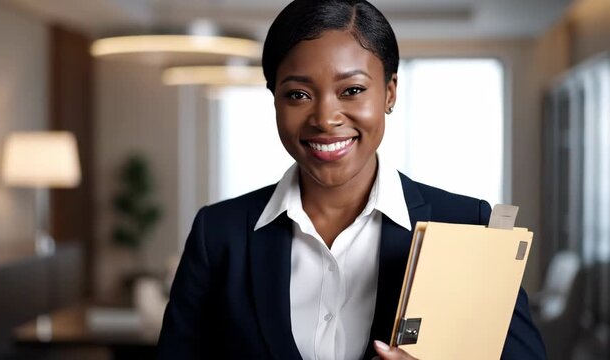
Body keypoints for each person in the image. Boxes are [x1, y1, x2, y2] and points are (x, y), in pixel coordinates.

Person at [157, 0, 547, 359]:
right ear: (274, 97)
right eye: (298, 95)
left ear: (390, 93)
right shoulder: (219, 234)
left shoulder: (466, 224)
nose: (325, 118)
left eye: (353, 90)